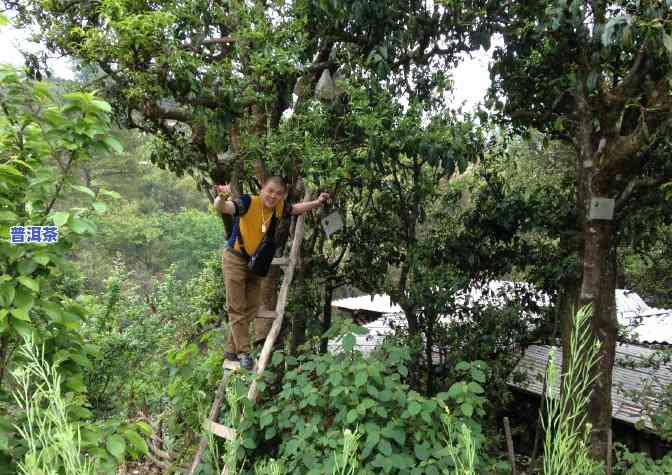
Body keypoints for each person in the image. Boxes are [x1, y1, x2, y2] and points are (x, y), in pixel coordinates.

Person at [214, 177, 329, 370]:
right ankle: (243, 353)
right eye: (270, 191)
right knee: (236, 307)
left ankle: (230, 352)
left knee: (251, 307)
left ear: (282, 195)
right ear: (262, 189)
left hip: (255, 263)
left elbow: (294, 209)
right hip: (234, 259)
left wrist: (317, 203)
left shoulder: (278, 207)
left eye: (278, 193)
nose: (273, 196)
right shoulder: (248, 202)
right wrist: (221, 197)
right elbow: (224, 208)